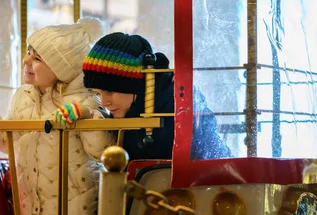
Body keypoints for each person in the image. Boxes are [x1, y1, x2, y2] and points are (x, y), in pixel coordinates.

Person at [0, 18, 114, 215]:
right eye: (28, 52)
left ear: (62, 66)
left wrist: (85, 116)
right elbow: (11, 142)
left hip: (81, 209)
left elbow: (101, 151)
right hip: (39, 209)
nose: (26, 61)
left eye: (37, 58)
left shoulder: (86, 98)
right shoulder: (23, 97)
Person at [79, 32, 233, 161]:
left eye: (110, 91)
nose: (105, 102)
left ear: (134, 84)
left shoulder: (176, 106)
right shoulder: (132, 107)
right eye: (98, 93)